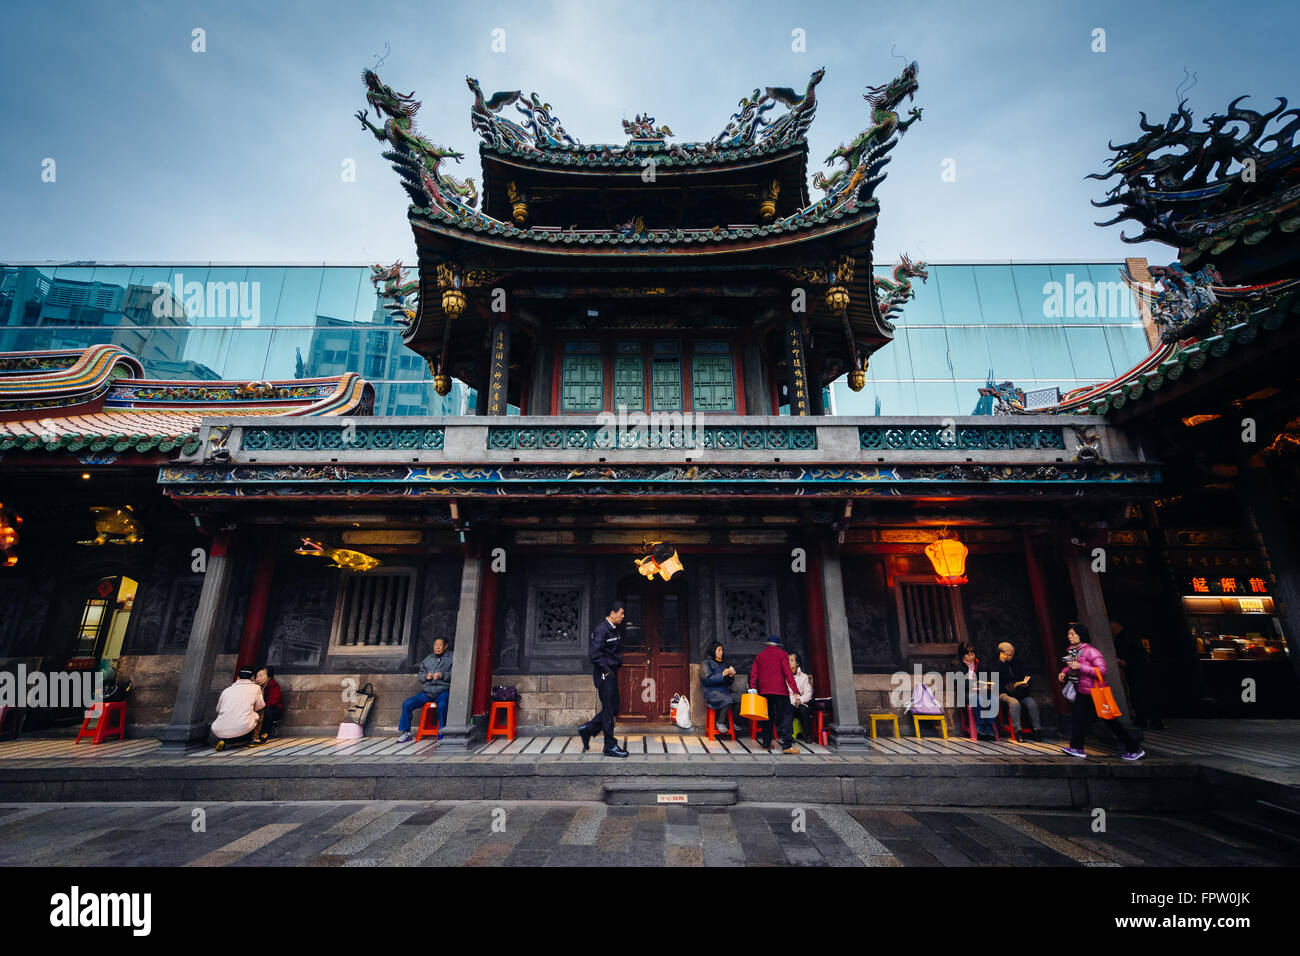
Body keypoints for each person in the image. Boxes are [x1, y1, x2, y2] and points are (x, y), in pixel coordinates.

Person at [1059, 622, 1145, 760]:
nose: (1069, 636)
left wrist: (1080, 667)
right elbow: (1073, 667)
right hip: (1082, 690)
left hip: (1095, 691)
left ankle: (1134, 748)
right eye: (1069, 634)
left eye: (1072, 634)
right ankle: (1077, 747)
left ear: (1081, 635)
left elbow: (1102, 671)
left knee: (1110, 721)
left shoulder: (1091, 651)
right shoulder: (1073, 651)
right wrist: (1065, 671)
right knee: (1079, 719)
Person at [579, 601, 628, 757]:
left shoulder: (614, 629)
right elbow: (595, 655)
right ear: (612, 613)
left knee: (613, 708)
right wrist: (606, 670)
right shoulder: (601, 630)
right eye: (621, 613)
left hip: (611, 673)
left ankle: (588, 729)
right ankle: (609, 746)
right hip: (604, 674)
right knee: (608, 710)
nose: (623, 616)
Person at [749, 635, 801, 754]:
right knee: (786, 716)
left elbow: (753, 675)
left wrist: (753, 688)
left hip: (764, 692)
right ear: (778, 645)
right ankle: (787, 745)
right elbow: (788, 673)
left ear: (767, 644)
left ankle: (766, 744)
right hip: (780, 691)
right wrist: (795, 689)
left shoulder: (760, 656)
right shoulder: (782, 654)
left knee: (767, 717)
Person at [396, 637, 453, 743]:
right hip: (428, 693)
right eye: (436, 645)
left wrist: (442, 675)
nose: (437, 647)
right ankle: (406, 733)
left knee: (442, 705)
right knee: (407, 704)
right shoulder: (428, 659)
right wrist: (426, 676)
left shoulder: (452, 658)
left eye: (440, 645)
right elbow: (420, 675)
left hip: (443, 691)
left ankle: (442, 731)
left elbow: (456, 674)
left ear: (445, 646)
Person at [1111, 619, 1164, 730]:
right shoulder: (1125, 636)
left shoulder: (1125, 637)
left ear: (1115, 624)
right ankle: (1151, 720)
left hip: (1137, 669)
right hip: (1136, 669)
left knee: (1140, 695)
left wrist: (1125, 661)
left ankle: (1144, 720)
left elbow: (1138, 654)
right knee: (1143, 695)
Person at [211, 666, 265, 751]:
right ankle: (255, 739)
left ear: (238, 677)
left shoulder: (227, 690)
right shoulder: (256, 688)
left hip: (219, 729)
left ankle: (223, 740)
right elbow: (260, 706)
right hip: (243, 726)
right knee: (261, 711)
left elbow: (218, 709)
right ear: (252, 678)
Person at [996, 642, 1042, 740]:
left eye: (1011, 655)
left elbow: (1023, 675)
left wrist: (1024, 683)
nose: (1010, 657)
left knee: (1031, 703)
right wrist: (1002, 663)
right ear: (1001, 653)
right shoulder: (996, 664)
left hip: (1019, 692)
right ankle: (1018, 730)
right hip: (1004, 692)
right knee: (1014, 703)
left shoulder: (1017, 662)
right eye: (1007, 655)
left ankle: (1037, 729)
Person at [955, 642, 996, 740]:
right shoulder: (957, 665)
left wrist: (985, 684)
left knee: (992, 698)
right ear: (962, 655)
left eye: (973, 654)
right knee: (976, 698)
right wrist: (973, 684)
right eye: (968, 654)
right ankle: (980, 724)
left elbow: (985, 676)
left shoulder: (978, 664)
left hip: (980, 691)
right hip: (965, 693)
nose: (971, 657)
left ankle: (989, 724)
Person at [701, 641, 738, 734]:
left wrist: (730, 676)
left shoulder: (722, 663)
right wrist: (722, 674)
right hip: (711, 692)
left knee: (739, 699)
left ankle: (730, 722)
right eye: (719, 650)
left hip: (723, 691)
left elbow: (727, 682)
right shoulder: (706, 663)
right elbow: (707, 679)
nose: (721, 652)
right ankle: (720, 722)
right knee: (728, 700)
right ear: (713, 651)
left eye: (722, 650)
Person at [788, 652, 814, 742]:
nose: (789, 662)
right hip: (790, 703)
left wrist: (800, 700)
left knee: (804, 710)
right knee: (788, 710)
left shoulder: (804, 677)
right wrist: (794, 700)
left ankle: (807, 735)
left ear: (797, 663)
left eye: (791, 660)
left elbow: (808, 693)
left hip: (801, 703)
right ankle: (789, 736)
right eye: (788, 660)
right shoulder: (784, 676)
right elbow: (785, 693)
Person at [255, 666, 283, 742]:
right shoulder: (255, 687)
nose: (258, 679)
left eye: (261, 676)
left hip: (274, 709)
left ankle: (264, 734)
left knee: (267, 712)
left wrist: (258, 707)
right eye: (257, 676)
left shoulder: (274, 686)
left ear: (269, 677)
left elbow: (272, 702)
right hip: (259, 708)